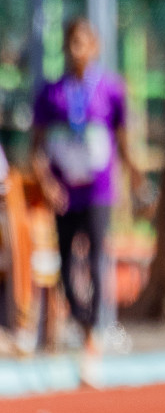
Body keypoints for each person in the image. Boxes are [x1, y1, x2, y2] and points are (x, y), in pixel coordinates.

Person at [32, 18, 148, 365]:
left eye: (83, 43)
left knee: (98, 256)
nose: (76, 50)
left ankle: (93, 332)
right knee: (66, 260)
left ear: (94, 47)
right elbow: (36, 149)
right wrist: (47, 184)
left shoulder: (111, 90)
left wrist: (136, 176)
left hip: (99, 189)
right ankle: (81, 320)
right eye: (71, 43)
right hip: (64, 191)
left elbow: (124, 140)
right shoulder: (51, 94)